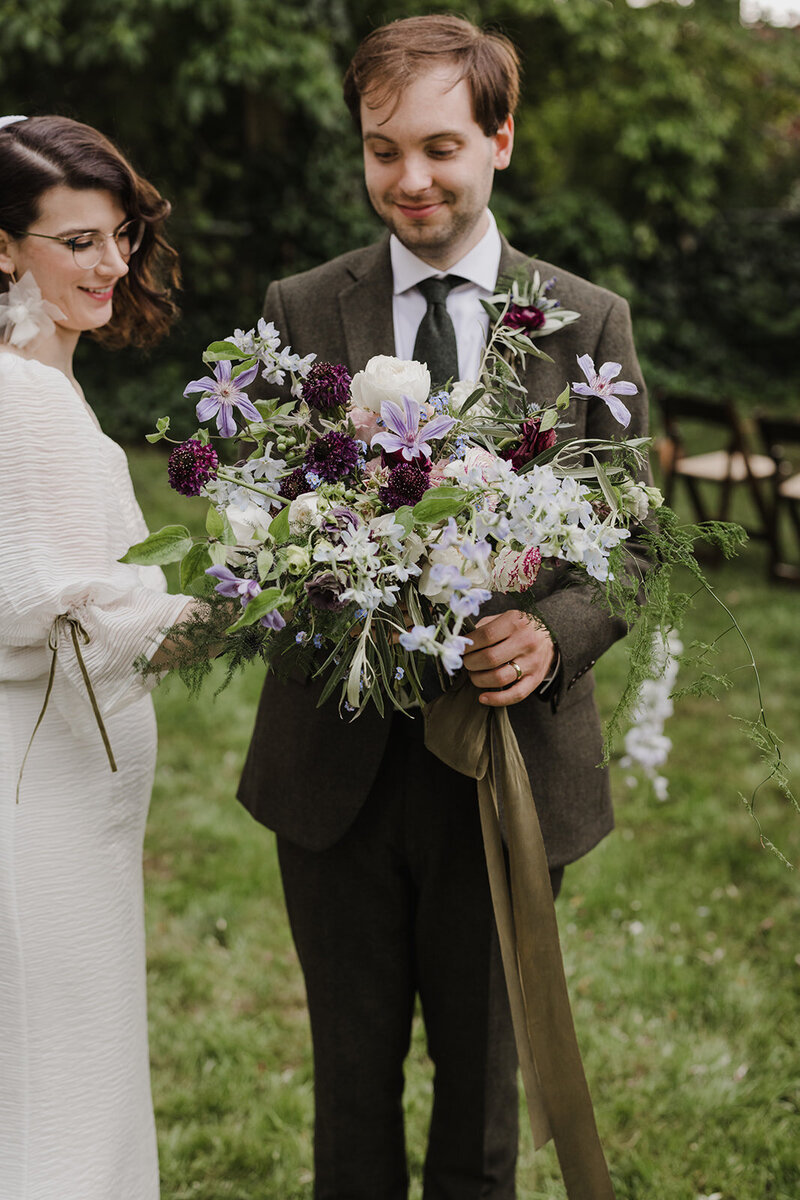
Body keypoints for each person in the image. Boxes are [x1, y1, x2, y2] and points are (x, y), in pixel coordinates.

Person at [238, 15, 651, 1199]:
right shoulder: (304, 308)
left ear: (499, 140)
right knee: (349, 1089)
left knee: (480, 1103)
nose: (407, 180)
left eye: (437, 147)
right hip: (333, 775)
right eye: (381, 151)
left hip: (510, 773)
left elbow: (631, 548)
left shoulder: (586, 322)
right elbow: (260, 526)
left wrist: (552, 632)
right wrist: (311, 576)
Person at [0, 115, 194, 1200]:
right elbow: (51, 598)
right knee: (57, 1083)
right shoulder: (20, 398)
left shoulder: (40, 382)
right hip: (39, 796)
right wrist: (239, 605)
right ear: (1, 247)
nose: (113, 263)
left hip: (69, 788)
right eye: (78, 241)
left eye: (119, 235)